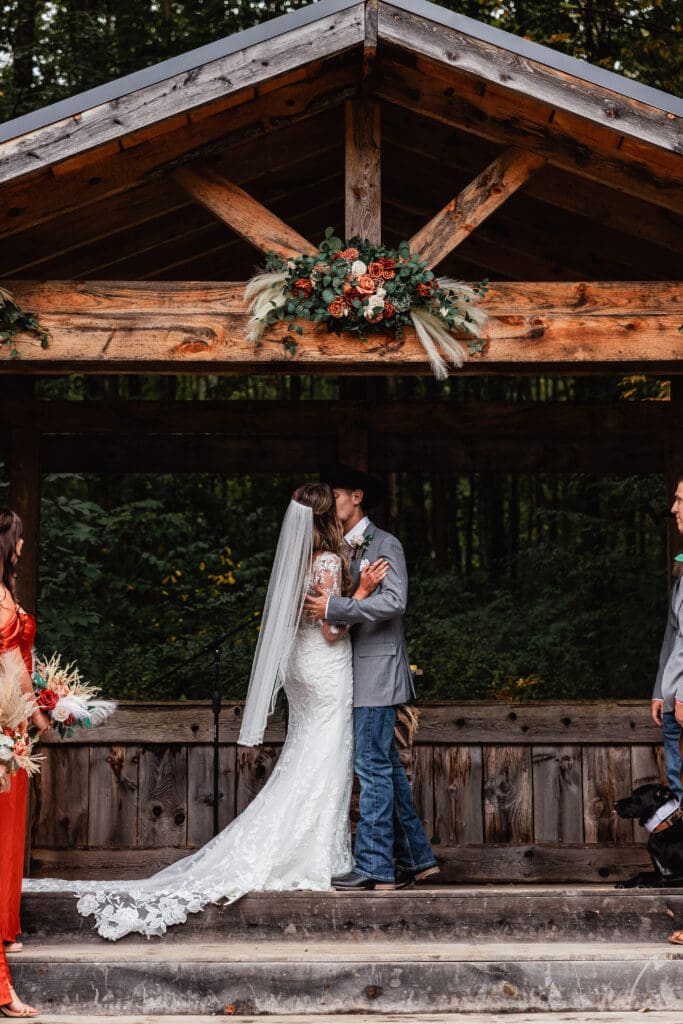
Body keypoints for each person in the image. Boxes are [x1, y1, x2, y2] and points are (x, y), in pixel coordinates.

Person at [23, 483, 387, 940]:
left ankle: (309, 849)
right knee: (327, 759)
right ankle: (319, 856)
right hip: (326, 668)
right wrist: (361, 591)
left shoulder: (296, 561)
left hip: (300, 668)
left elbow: (299, 617)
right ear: (324, 517)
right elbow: (333, 630)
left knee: (307, 754)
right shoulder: (330, 561)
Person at [304, 465, 438, 891]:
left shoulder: (384, 543)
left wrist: (336, 609)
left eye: (337, 493)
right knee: (386, 769)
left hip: (378, 670)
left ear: (357, 496)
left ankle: (377, 867)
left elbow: (395, 601)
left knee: (371, 767)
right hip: (348, 670)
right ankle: (418, 859)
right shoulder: (335, 548)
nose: (331, 501)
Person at [0, 510, 50, 959]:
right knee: (5, 825)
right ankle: (2, 928)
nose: (21, 546)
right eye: (18, 539)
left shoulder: (5, 592)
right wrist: (39, 715)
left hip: (10, 716)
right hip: (8, 720)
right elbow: (12, 664)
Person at [652, 473, 683, 807]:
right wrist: (661, 690)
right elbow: (673, 637)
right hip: (674, 707)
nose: (674, 508)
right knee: (679, 800)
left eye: (680, 500)